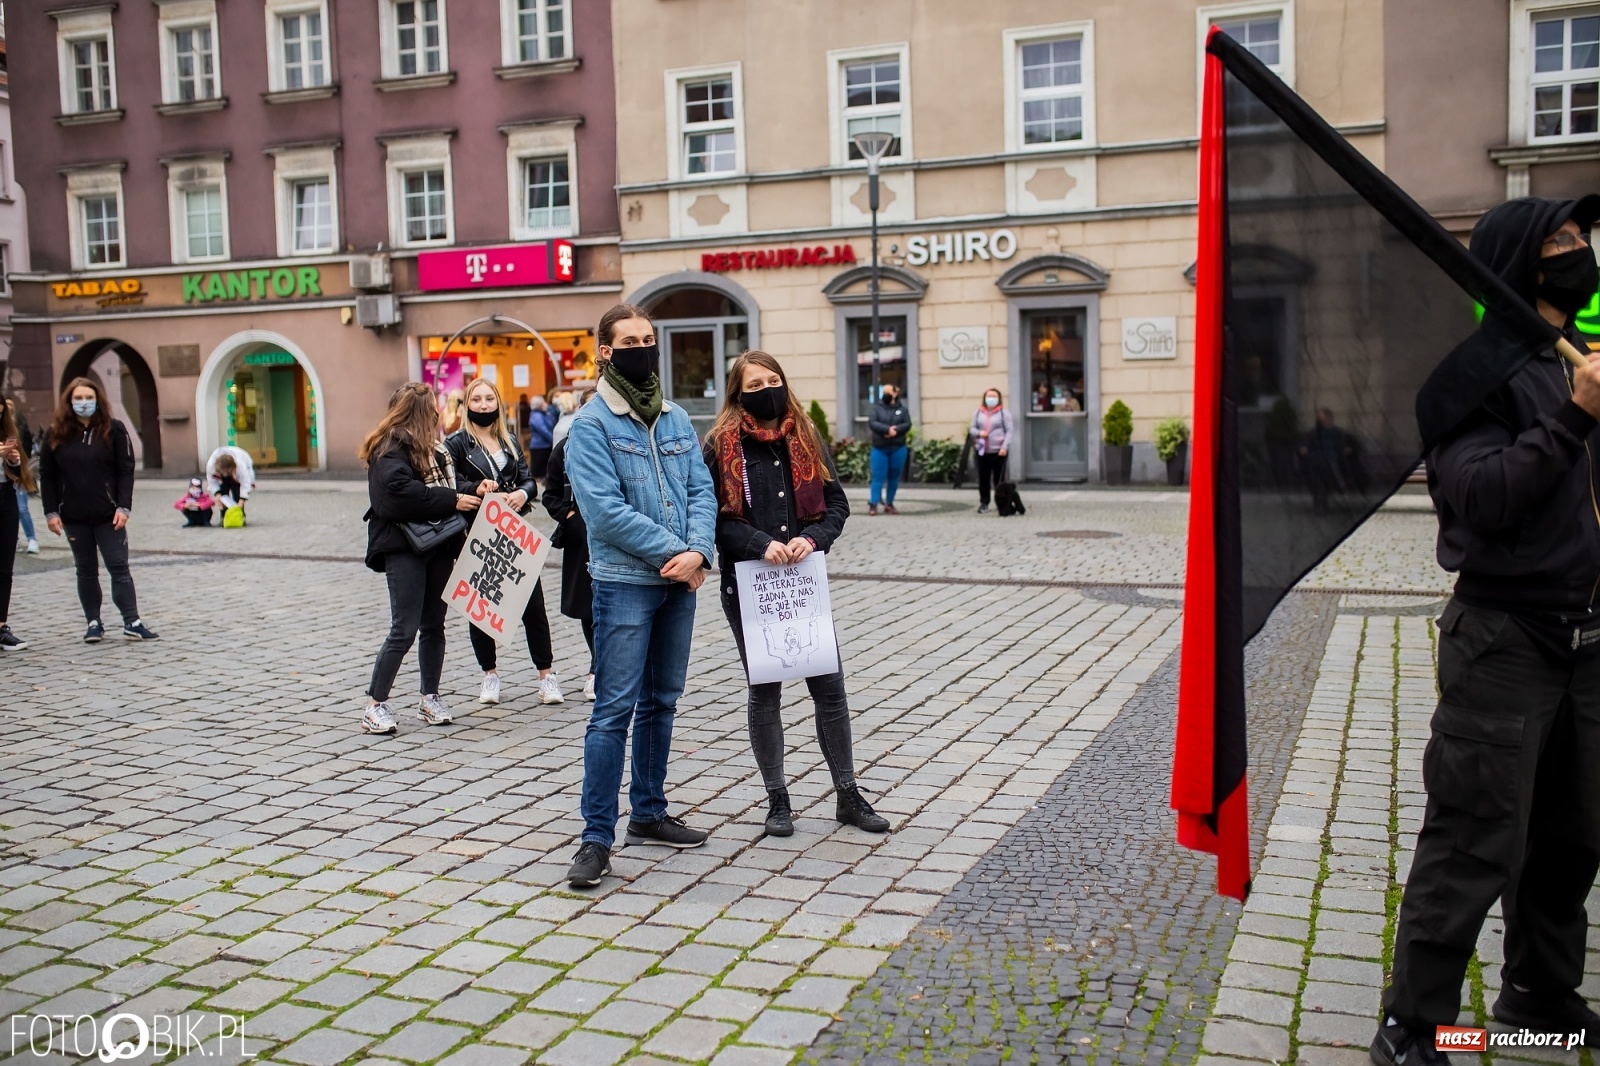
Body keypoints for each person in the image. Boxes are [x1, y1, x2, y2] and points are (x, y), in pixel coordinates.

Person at [1373, 195, 1600, 1065]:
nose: (1579, 251)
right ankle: (1415, 1028)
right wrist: (1573, 417)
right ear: (1520, 260)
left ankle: (1540, 991)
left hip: (1591, 641)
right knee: (1474, 839)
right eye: (1561, 240)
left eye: (1583, 238)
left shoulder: (1577, 358)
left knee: (1572, 838)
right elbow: (1481, 498)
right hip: (1506, 640)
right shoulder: (1473, 375)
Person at [703, 351, 890, 838]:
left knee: (830, 691)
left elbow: (837, 505)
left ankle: (848, 795)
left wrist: (812, 538)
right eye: (755, 383)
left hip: (803, 585)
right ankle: (777, 800)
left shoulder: (805, 437)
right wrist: (760, 544)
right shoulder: (721, 445)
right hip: (750, 585)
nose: (767, 388)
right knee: (765, 693)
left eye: (773, 379)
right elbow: (712, 520)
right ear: (737, 393)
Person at [562, 303, 718, 887]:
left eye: (649, 339)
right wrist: (672, 556)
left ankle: (648, 813)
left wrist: (699, 551)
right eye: (630, 340)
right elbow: (603, 513)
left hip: (680, 581)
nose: (643, 347)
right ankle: (596, 838)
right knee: (613, 710)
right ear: (605, 351)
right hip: (626, 584)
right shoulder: (592, 425)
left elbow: (703, 489)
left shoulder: (677, 418)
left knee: (663, 701)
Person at [359, 382, 481, 735]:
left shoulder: (434, 448)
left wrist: (473, 490)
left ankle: (430, 697)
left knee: (434, 625)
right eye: (433, 408)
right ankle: (375, 704)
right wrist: (452, 500)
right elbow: (398, 495)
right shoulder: (390, 447)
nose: (439, 412)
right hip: (405, 548)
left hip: (439, 543)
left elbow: (451, 483)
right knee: (404, 628)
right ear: (419, 412)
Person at [445, 376, 565, 707]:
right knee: (481, 609)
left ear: (498, 403)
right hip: (477, 535)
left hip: (514, 534)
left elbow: (529, 480)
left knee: (534, 608)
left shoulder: (509, 440)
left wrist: (522, 493)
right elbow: (451, 484)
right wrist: (476, 490)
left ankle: (546, 675)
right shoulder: (456, 444)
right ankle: (490, 675)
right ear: (467, 404)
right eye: (477, 399)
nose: (484, 405)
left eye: (489, 399)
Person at [39, 377, 158, 642]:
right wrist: (51, 512)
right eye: (78, 398)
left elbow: (125, 470)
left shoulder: (114, 430)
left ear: (98, 400)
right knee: (86, 569)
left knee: (118, 565)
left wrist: (124, 506)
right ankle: (94, 623)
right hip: (73, 515)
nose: (84, 403)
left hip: (109, 514)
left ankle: (132, 620)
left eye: (89, 398)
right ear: (69, 402)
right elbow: (47, 475)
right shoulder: (56, 433)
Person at [542, 389, 598, 702]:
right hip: (581, 541)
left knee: (614, 607)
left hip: (619, 536)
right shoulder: (563, 449)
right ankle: (596, 667)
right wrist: (571, 516)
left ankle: (598, 670)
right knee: (588, 609)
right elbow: (549, 496)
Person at [0, 395, 36, 650]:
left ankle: (1, 626)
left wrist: (12, 461)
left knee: (4, 566)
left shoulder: (7, 432)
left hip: (5, 497)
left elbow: (16, 474)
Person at [867, 384, 911, 516]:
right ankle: (873, 504)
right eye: (884, 392)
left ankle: (889, 503)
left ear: (895, 393)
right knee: (878, 477)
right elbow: (873, 423)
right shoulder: (877, 408)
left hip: (898, 448)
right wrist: (886, 430)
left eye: (888, 392)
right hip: (880, 448)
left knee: (894, 477)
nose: (885, 394)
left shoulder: (902, 410)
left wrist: (895, 430)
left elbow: (907, 424)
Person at [971, 387, 1015, 514]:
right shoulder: (978, 412)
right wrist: (979, 433)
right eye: (989, 396)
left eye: (994, 396)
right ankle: (984, 503)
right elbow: (972, 429)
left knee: (999, 480)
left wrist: (1004, 447)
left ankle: (1002, 503)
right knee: (983, 478)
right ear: (984, 398)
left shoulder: (1003, 413)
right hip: (982, 450)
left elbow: (1009, 431)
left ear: (998, 398)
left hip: (998, 451)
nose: (991, 398)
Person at [5, 396, 38, 555]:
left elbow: (25, 452)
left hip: (16, 478)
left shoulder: (18, 430)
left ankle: (31, 539)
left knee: (22, 508)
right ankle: (16, 539)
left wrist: (13, 457)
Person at [526, 393, 560, 482]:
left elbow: (552, 424)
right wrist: (554, 440)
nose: (546, 404)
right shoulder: (536, 416)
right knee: (540, 473)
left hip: (545, 446)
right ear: (540, 405)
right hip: (540, 447)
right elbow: (544, 431)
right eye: (544, 403)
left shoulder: (544, 414)